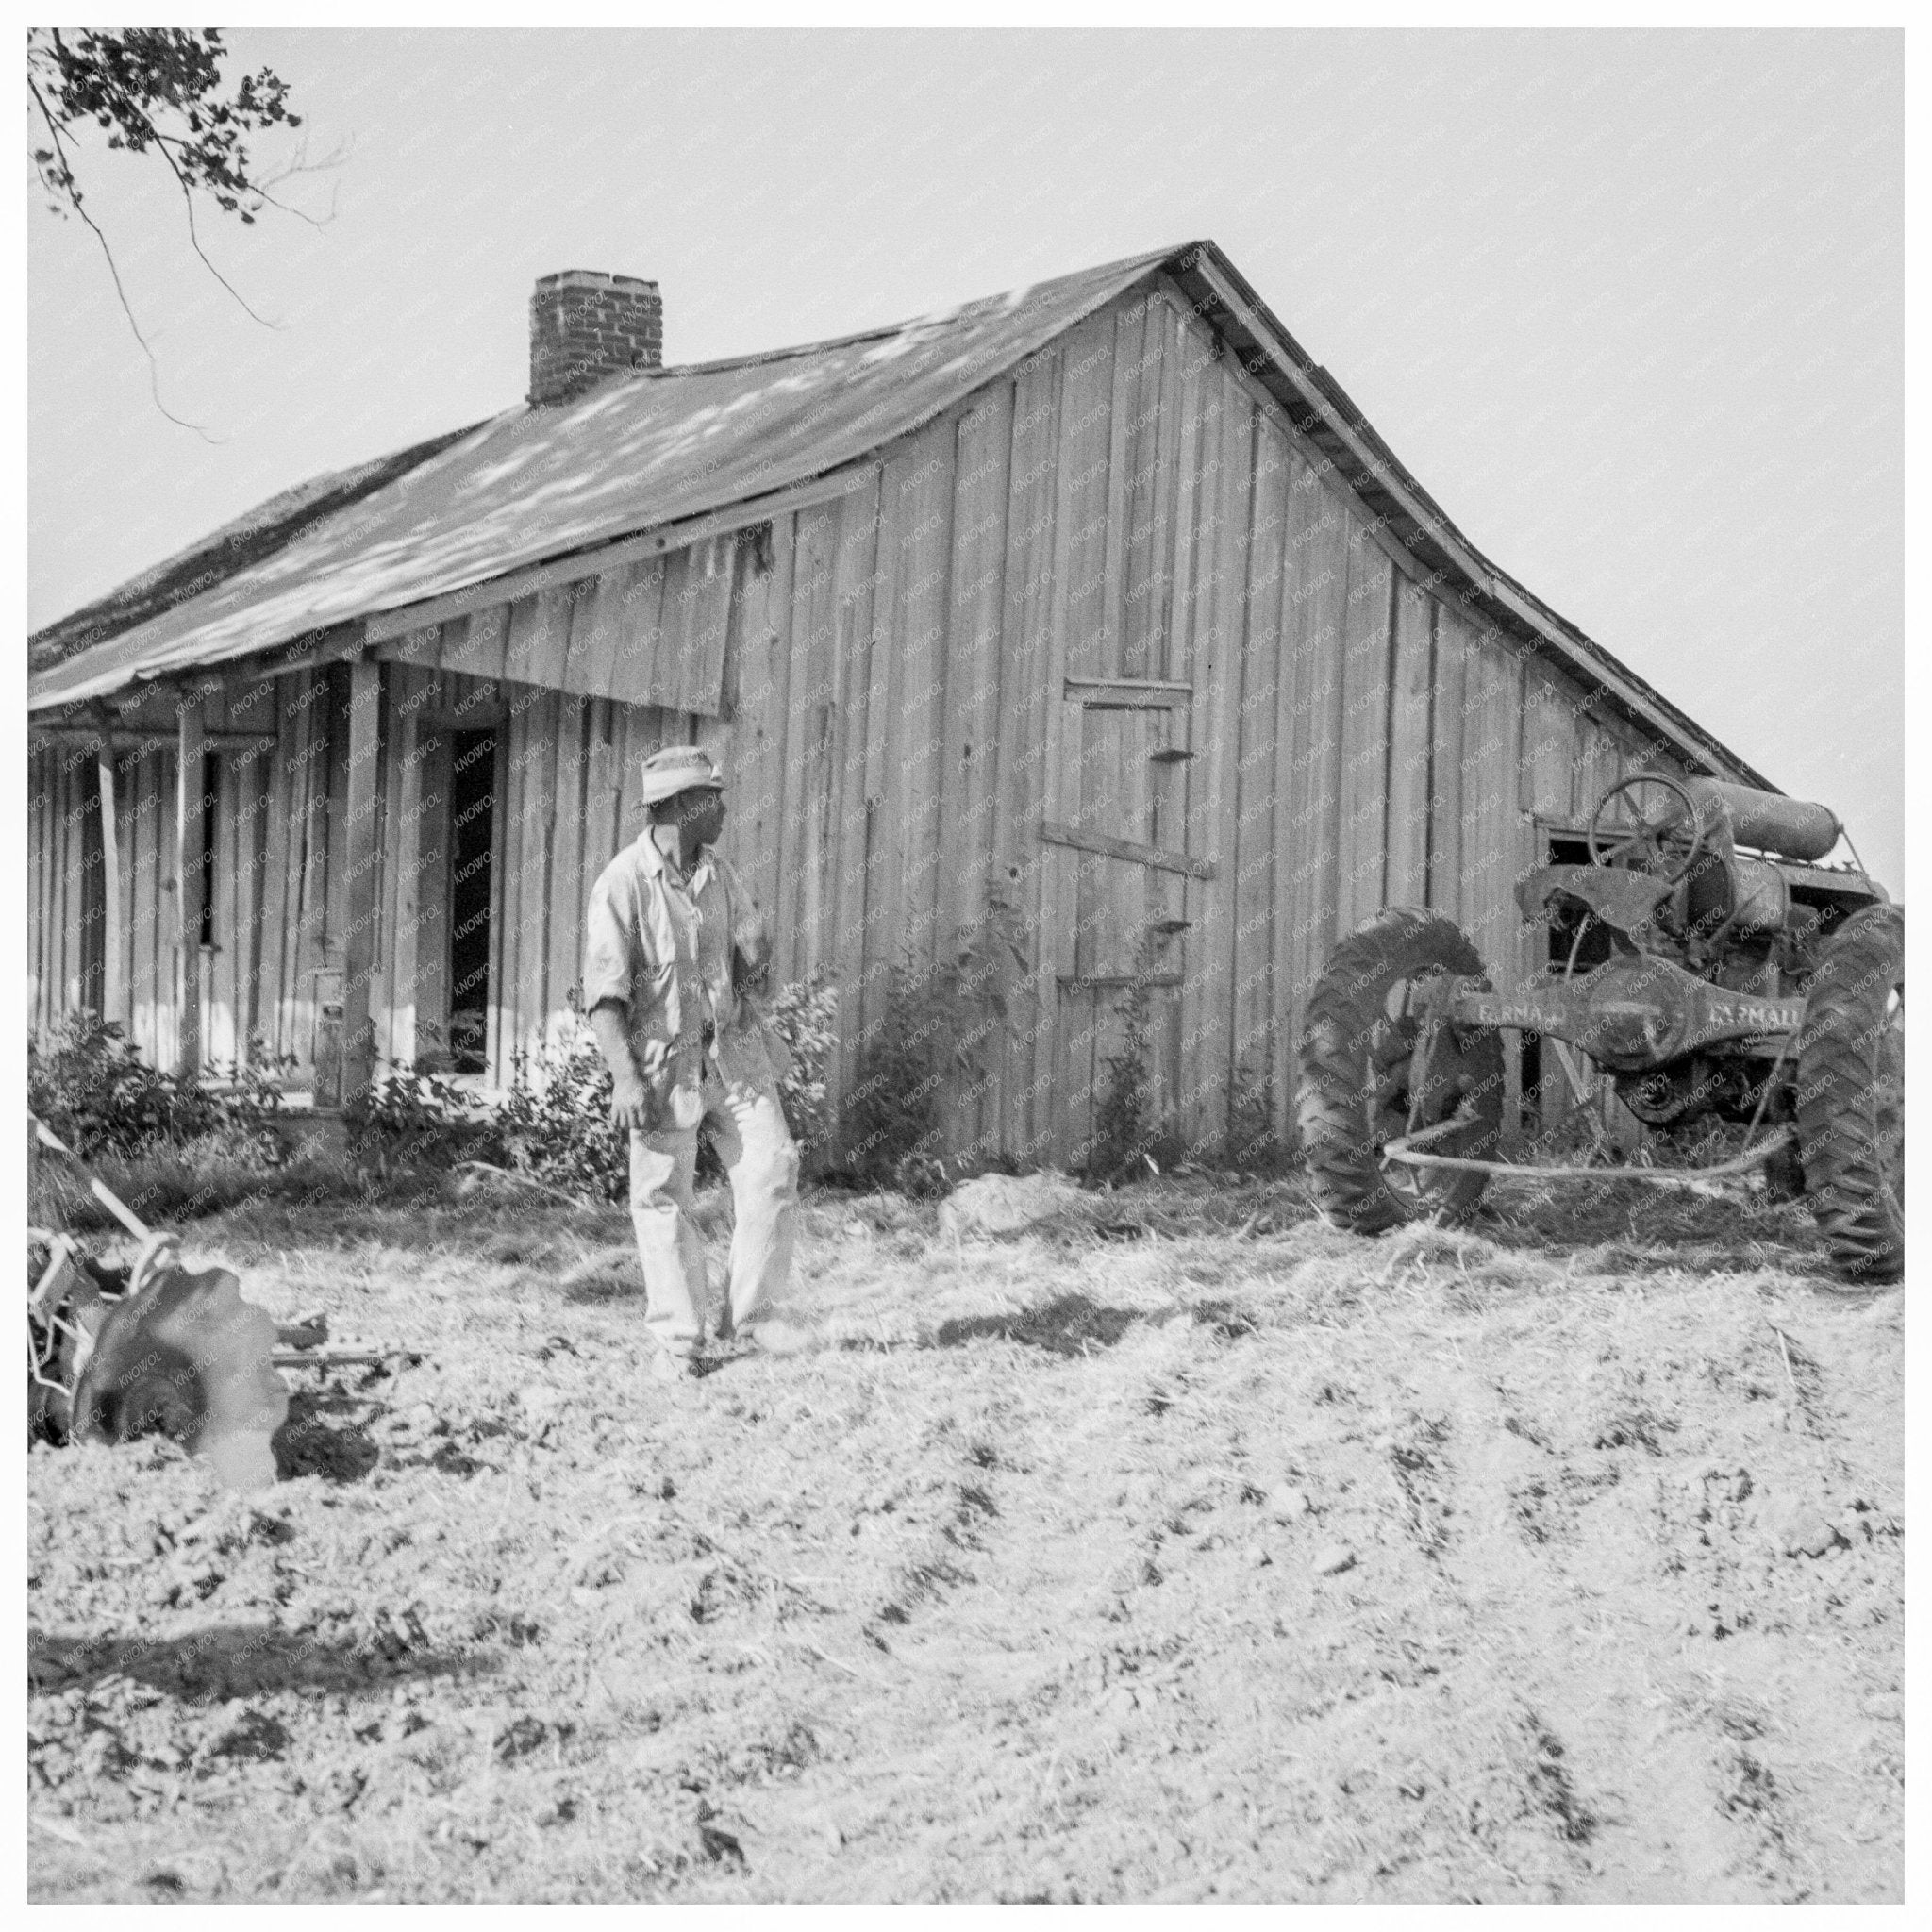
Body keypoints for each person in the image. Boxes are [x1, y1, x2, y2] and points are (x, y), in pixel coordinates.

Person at [583, 745, 805, 1386]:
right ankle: (679, 1341)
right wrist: (625, 1077)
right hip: (662, 1070)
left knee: (773, 1167)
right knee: (662, 1199)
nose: (725, 809)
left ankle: (755, 1318)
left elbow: (750, 969)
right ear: (680, 805)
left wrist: (756, 956)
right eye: (713, 797)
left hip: (733, 1057)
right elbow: (604, 996)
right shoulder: (623, 882)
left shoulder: (720, 873)